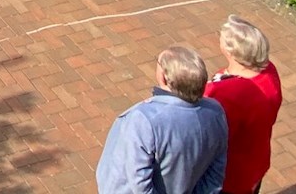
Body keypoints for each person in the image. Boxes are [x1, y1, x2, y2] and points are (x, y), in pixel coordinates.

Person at [95, 46, 228, 194]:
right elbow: (215, 173)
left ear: (164, 77)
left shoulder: (144, 119)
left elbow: (139, 184)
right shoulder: (215, 112)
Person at [204, 16, 283, 194]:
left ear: (230, 51)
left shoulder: (228, 94)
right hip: (255, 162)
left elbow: (211, 138)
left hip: (230, 175)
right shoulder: (269, 70)